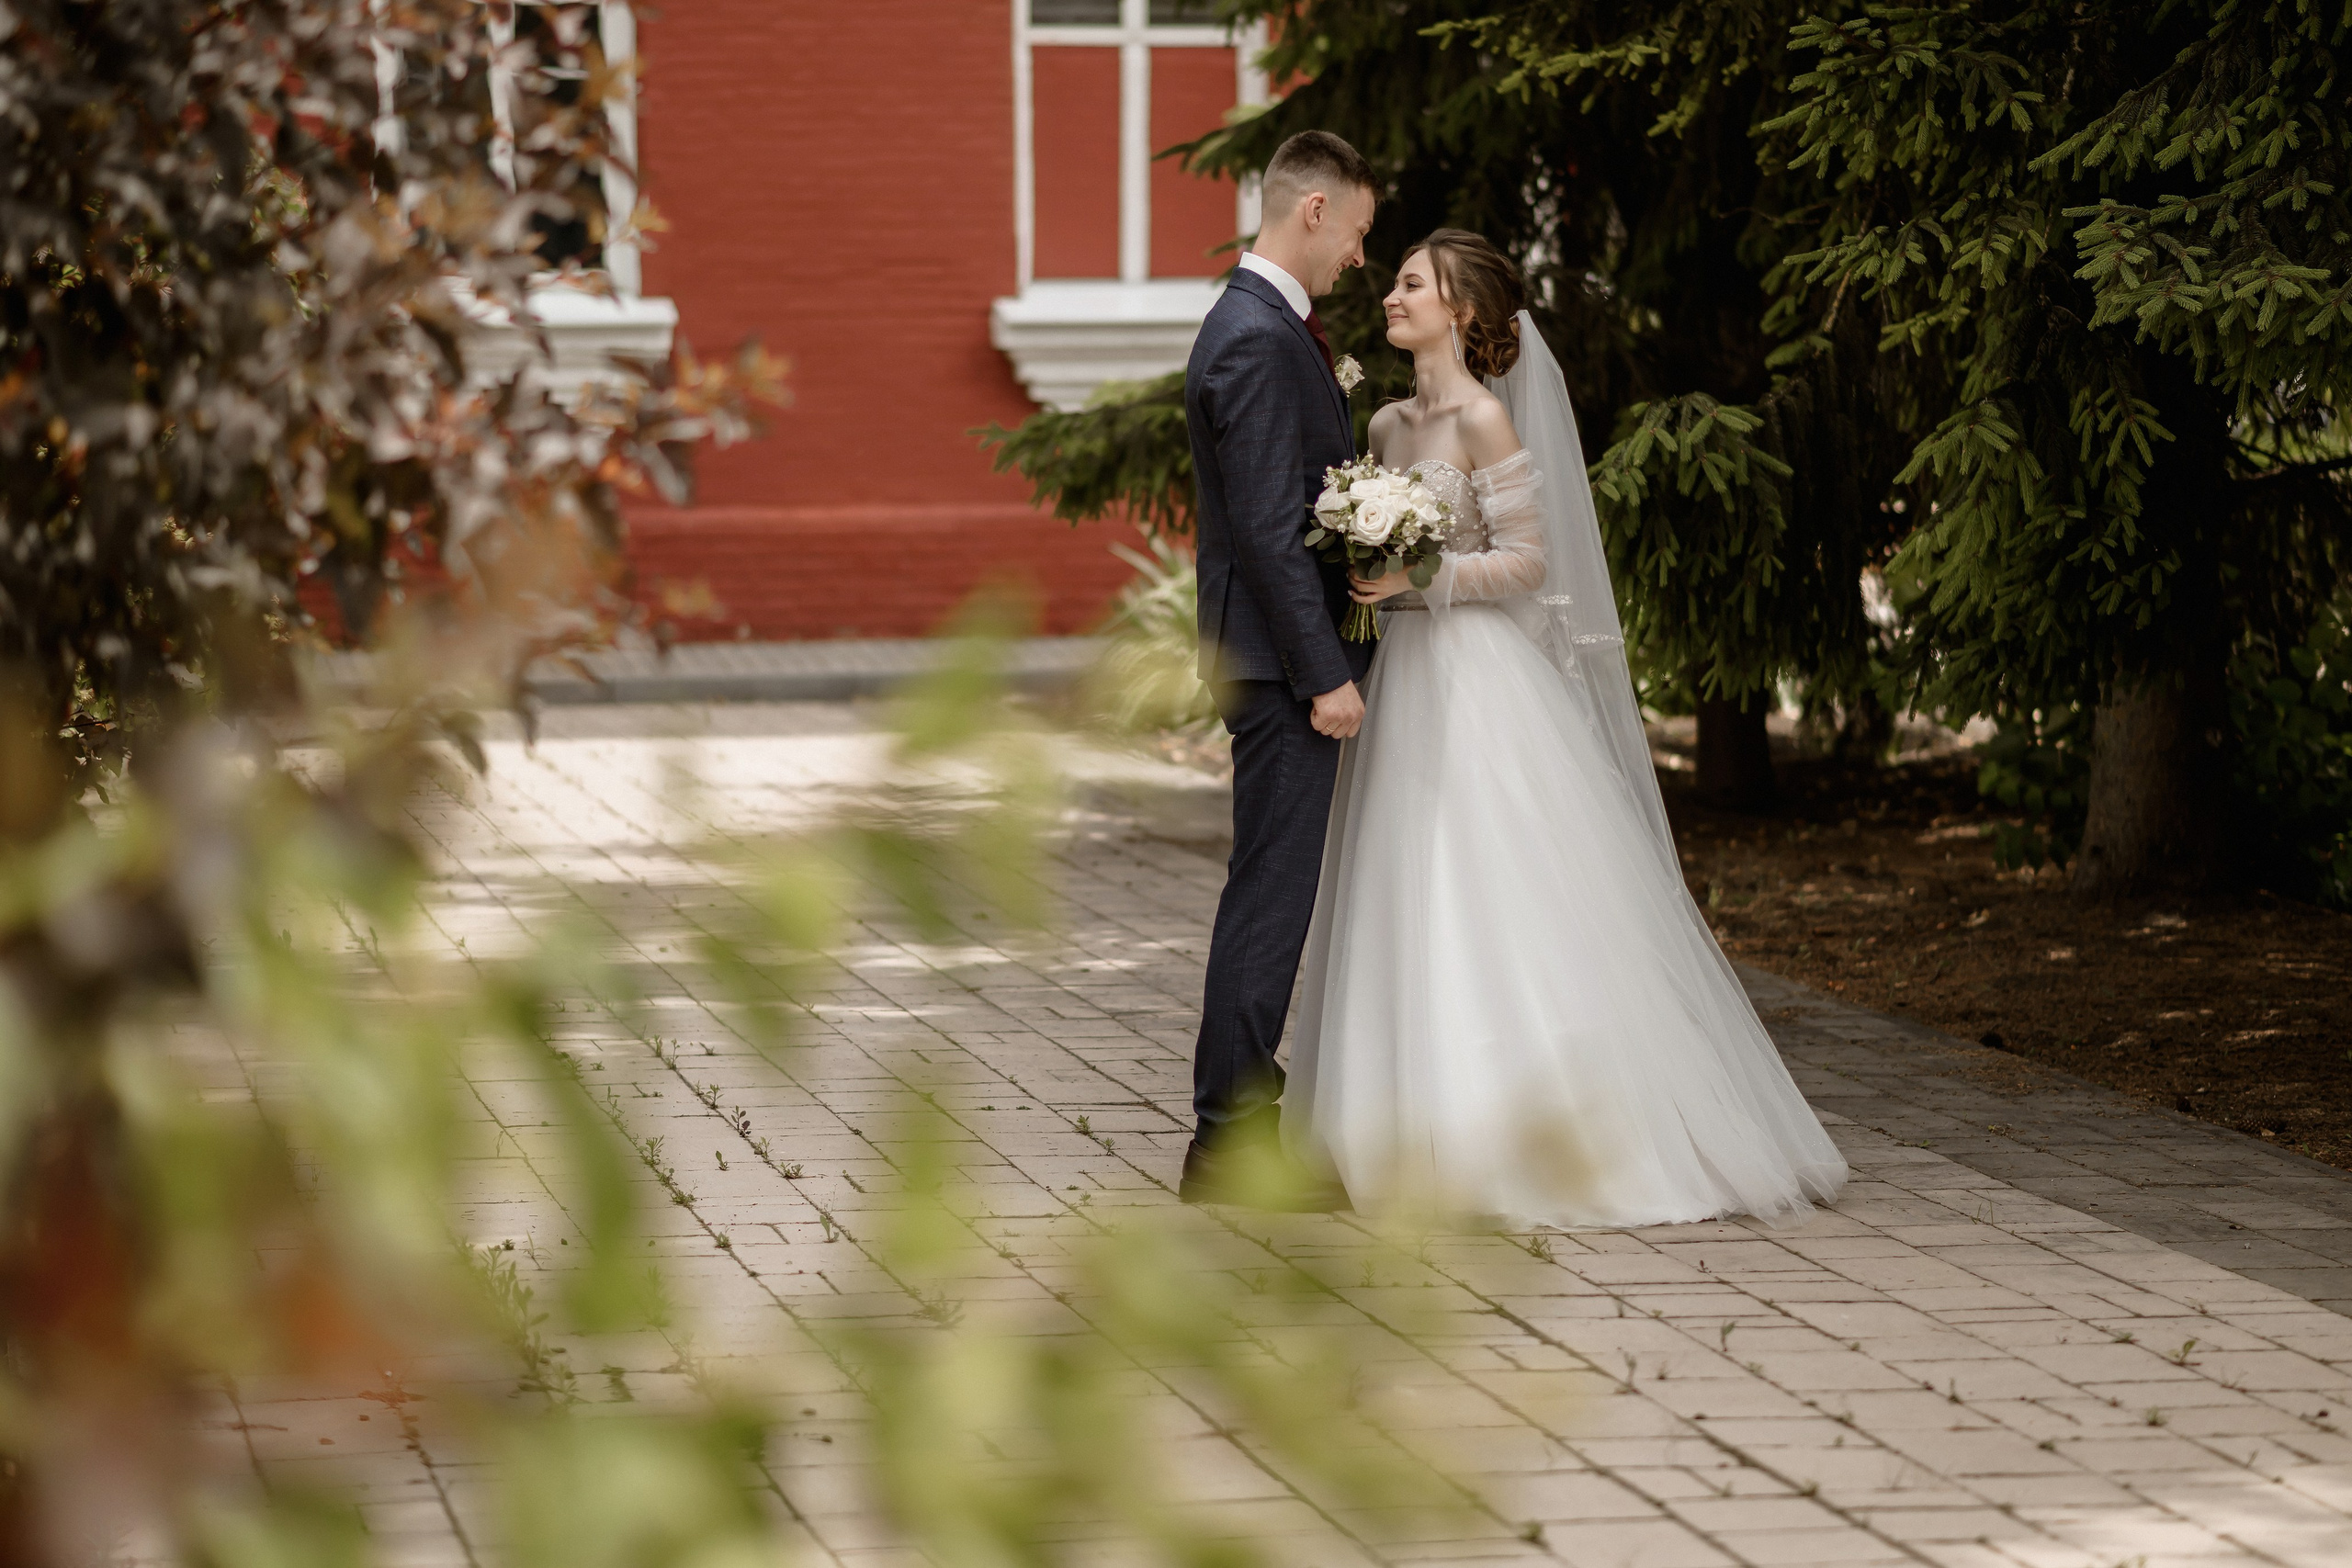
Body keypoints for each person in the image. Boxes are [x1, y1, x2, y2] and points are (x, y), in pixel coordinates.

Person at [1285, 230, 1850, 1228]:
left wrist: (1425, 576)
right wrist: (1365, 588)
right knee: (1395, 877)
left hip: (1478, 683)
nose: (1392, 295)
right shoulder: (1379, 425)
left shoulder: (1483, 419)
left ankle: (1527, 1139)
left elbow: (1528, 564)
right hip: (1404, 677)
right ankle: (1395, 1130)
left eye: (1412, 283)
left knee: (1481, 881)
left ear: (1459, 310)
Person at [1178, 131, 1377, 1208]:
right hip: (1274, 664)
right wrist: (1320, 674)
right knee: (1270, 895)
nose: (1357, 256)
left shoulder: (1260, 326)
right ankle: (1230, 1144)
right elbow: (1263, 524)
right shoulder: (1255, 337)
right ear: (1312, 212)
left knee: (1268, 889)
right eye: (1355, 234)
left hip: (1264, 655)